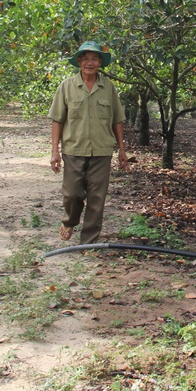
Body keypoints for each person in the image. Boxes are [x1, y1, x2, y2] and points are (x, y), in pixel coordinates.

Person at [48, 40, 128, 244]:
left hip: (102, 150)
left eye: (94, 59)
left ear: (100, 63)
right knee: (72, 193)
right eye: (85, 59)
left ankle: (89, 241)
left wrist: (122, 150)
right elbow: (57, 120)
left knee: (97, 197)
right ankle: (70, 220)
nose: (89, 63)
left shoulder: (108, 87)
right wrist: (55, 152)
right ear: (79, 62)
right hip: (74, 149)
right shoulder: (67, 87)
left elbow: (117, 120)